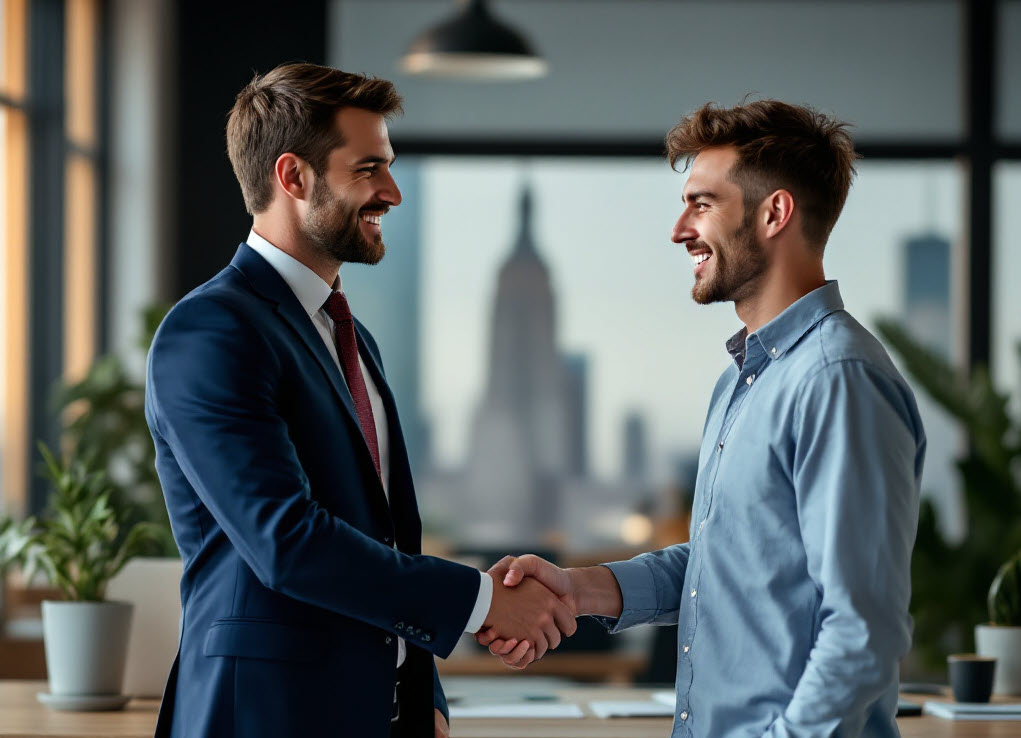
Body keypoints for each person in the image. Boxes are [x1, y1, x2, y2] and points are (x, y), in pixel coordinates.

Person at [144, 62, 575, 738]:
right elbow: (287, 542)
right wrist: (482, 601)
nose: (392, 192)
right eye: (368, 168)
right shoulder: (212, 331)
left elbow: (383, 534)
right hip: (263, 717)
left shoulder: (349, 337)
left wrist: (421, 687)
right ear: (293, 177)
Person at [479, 100, 926, 737]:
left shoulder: (837, 380)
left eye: (702, 203)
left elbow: (861, 630)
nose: (678, 229)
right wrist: (580, 590)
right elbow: (727, 566)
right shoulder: (744, 379)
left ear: (775, 213)